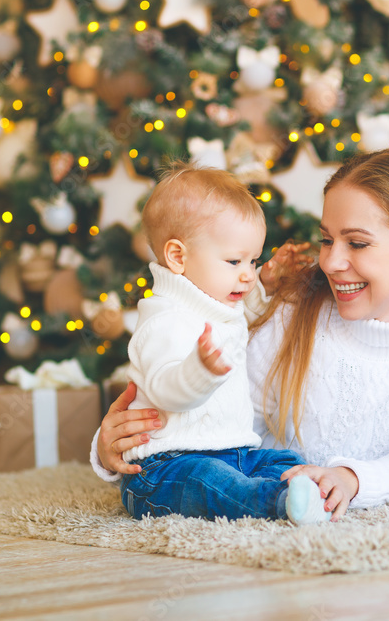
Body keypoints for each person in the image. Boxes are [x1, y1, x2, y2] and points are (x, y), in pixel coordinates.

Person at [93, 148, 389, 520]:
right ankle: (279, 502)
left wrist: (352, 479)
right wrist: (111, 444)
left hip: (304, 481)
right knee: (208, 478)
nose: (332, 261)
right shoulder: (296, 302)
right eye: (326, 239)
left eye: (357, 243)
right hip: (215, 465)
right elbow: (218, 420)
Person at [98, 161, 329, 525]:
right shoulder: (164, 319)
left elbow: (246, 318)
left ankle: (296, 490)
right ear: (178, 257)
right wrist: (199, 371)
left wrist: (265, 283)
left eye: (253, 260)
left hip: (233, 450)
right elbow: (167, 390)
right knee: (207, 481)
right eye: (234, 260)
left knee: (284, 460)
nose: (247, 274)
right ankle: (277, 502)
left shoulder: (218, 305)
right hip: (163, 466)